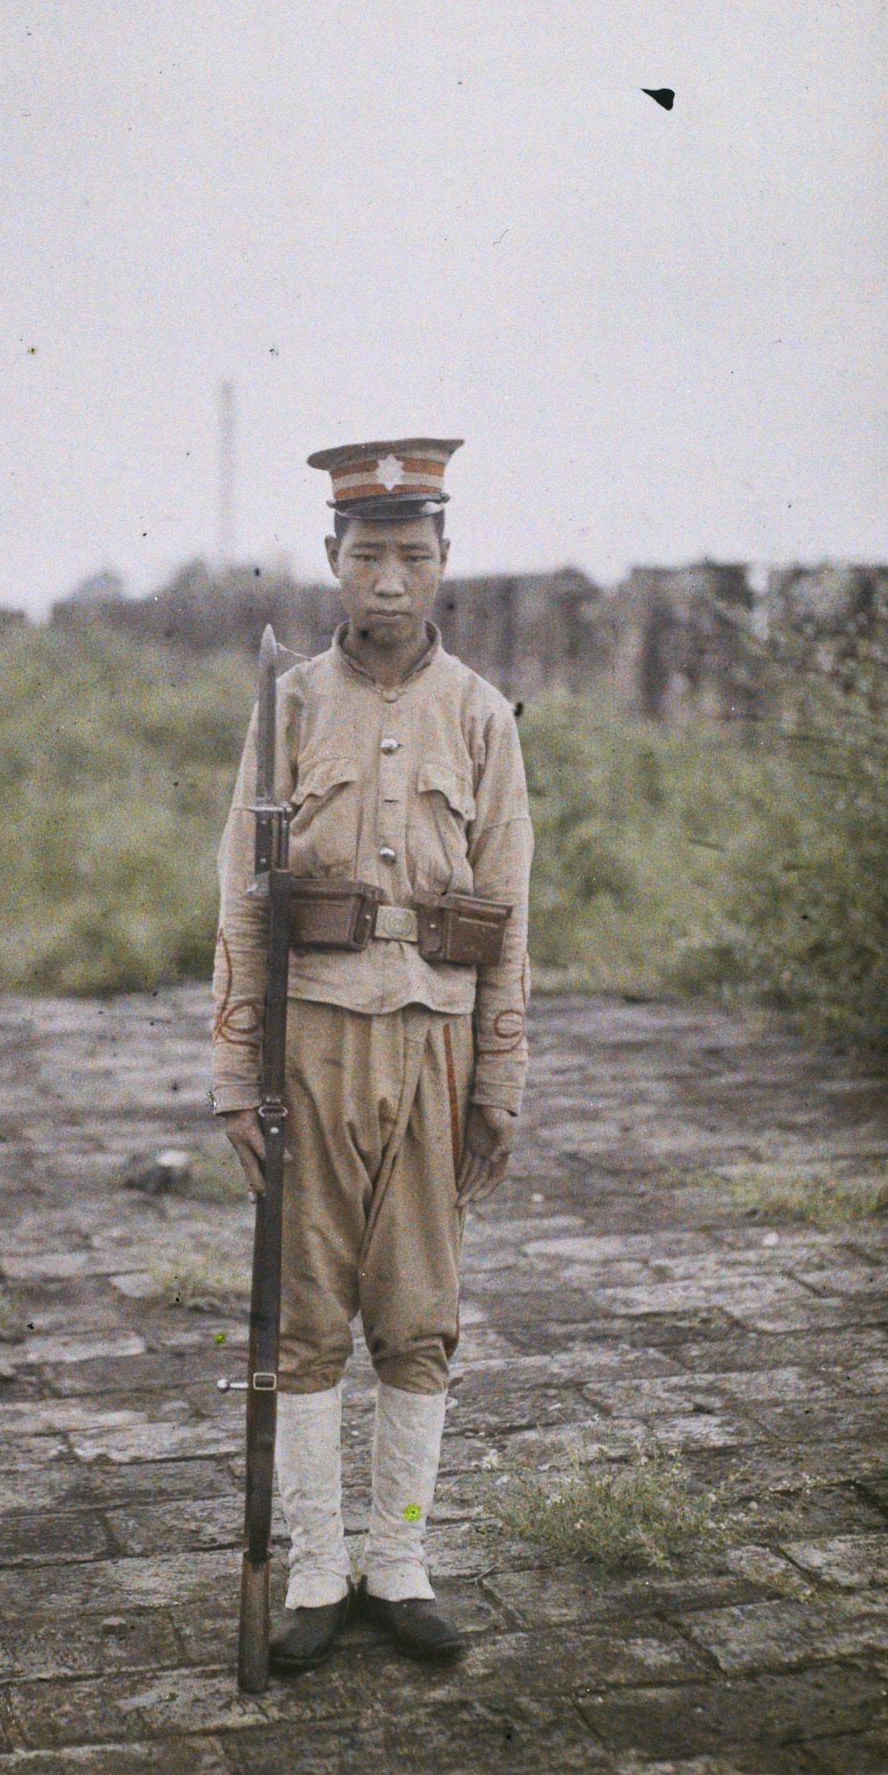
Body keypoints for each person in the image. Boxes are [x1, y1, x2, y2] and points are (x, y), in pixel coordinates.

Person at [209, 437, 534, 1672]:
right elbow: (241, 900)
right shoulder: (287, 706)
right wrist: (234, 1074)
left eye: (411, 554)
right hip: (311, 1043)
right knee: (304, 1317)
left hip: (435, 1046)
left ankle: (396, 1562)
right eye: (365, 555)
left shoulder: (481, 714)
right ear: (331, 559)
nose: (388, 580)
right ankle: (312, 1571)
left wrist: (499, 1079)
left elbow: (510, 908)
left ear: (444, 560)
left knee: (417, 1315)